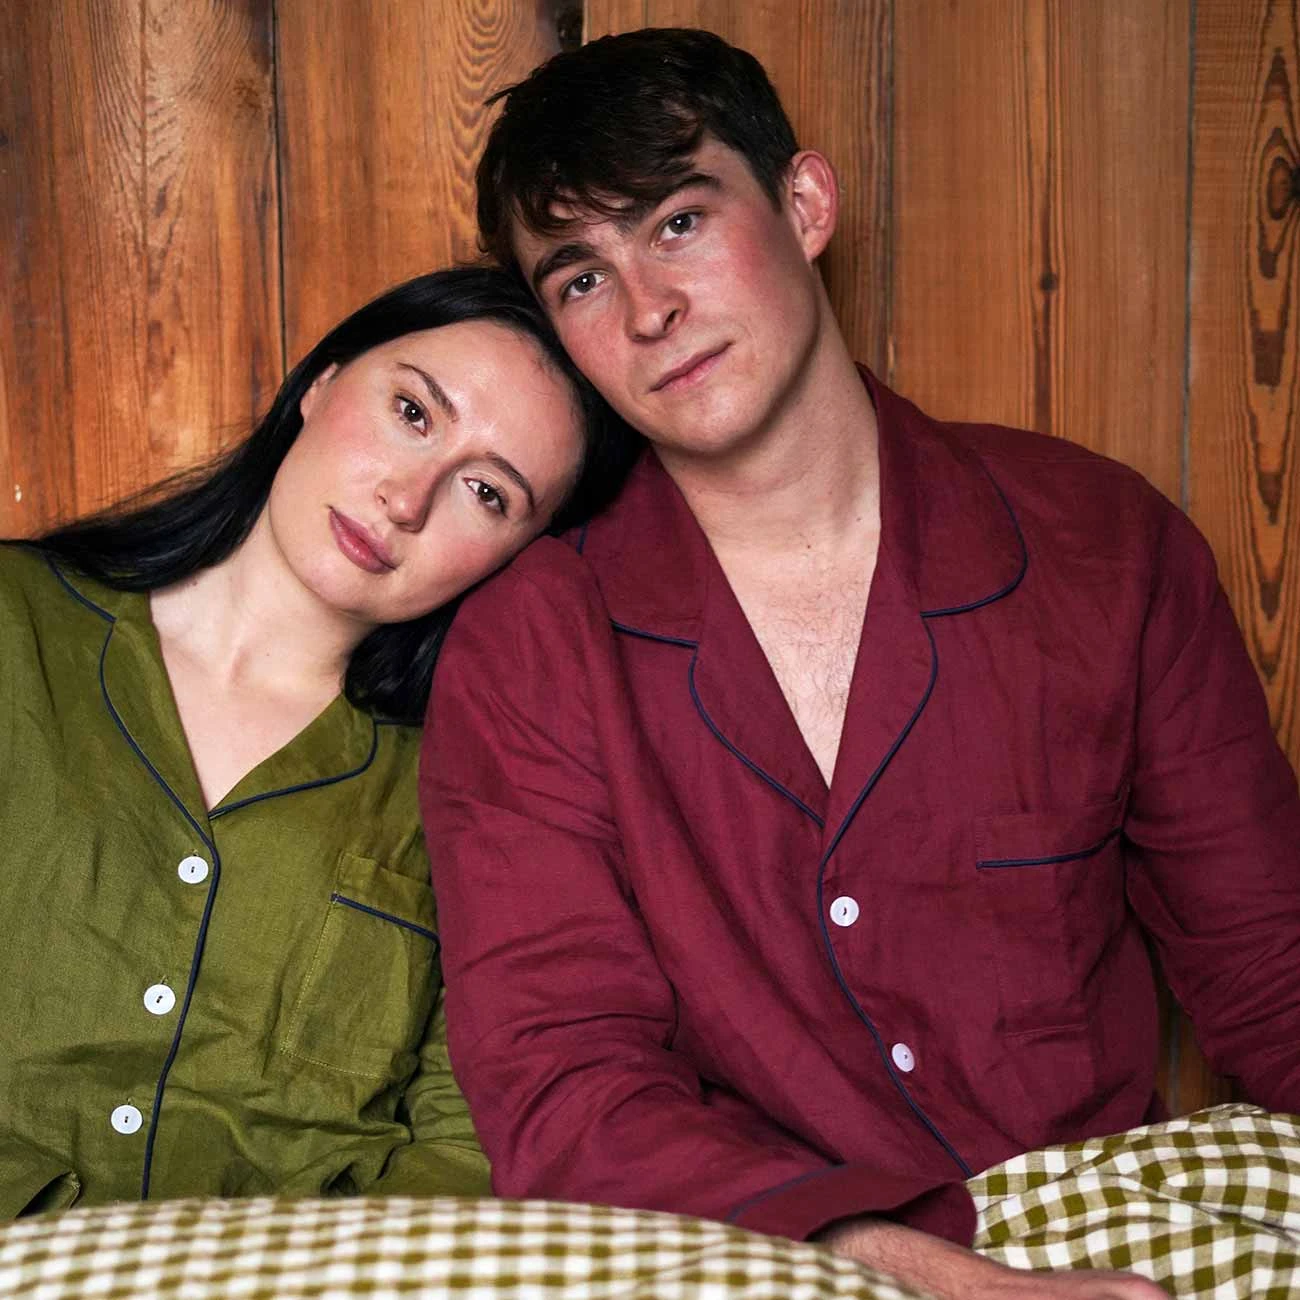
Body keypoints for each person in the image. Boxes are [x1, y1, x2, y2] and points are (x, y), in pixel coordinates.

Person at [420, 28, 1300, 1300]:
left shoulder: (1103, 543)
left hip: (1110, 1237)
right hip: (754, 1256)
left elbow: (1268, 961)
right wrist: (908, 1269)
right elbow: (563, 1081)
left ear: (805, 204)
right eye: (582, 279)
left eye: (677, 224)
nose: (648, 311)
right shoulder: (533, 641)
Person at [0, 265, 636, 1217]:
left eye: (487, 493)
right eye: (413, 413)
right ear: (323, 381)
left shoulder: (476, 789)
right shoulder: (17, 628)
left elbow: (465, 1145)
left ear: (519, 556)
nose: (408, 500)